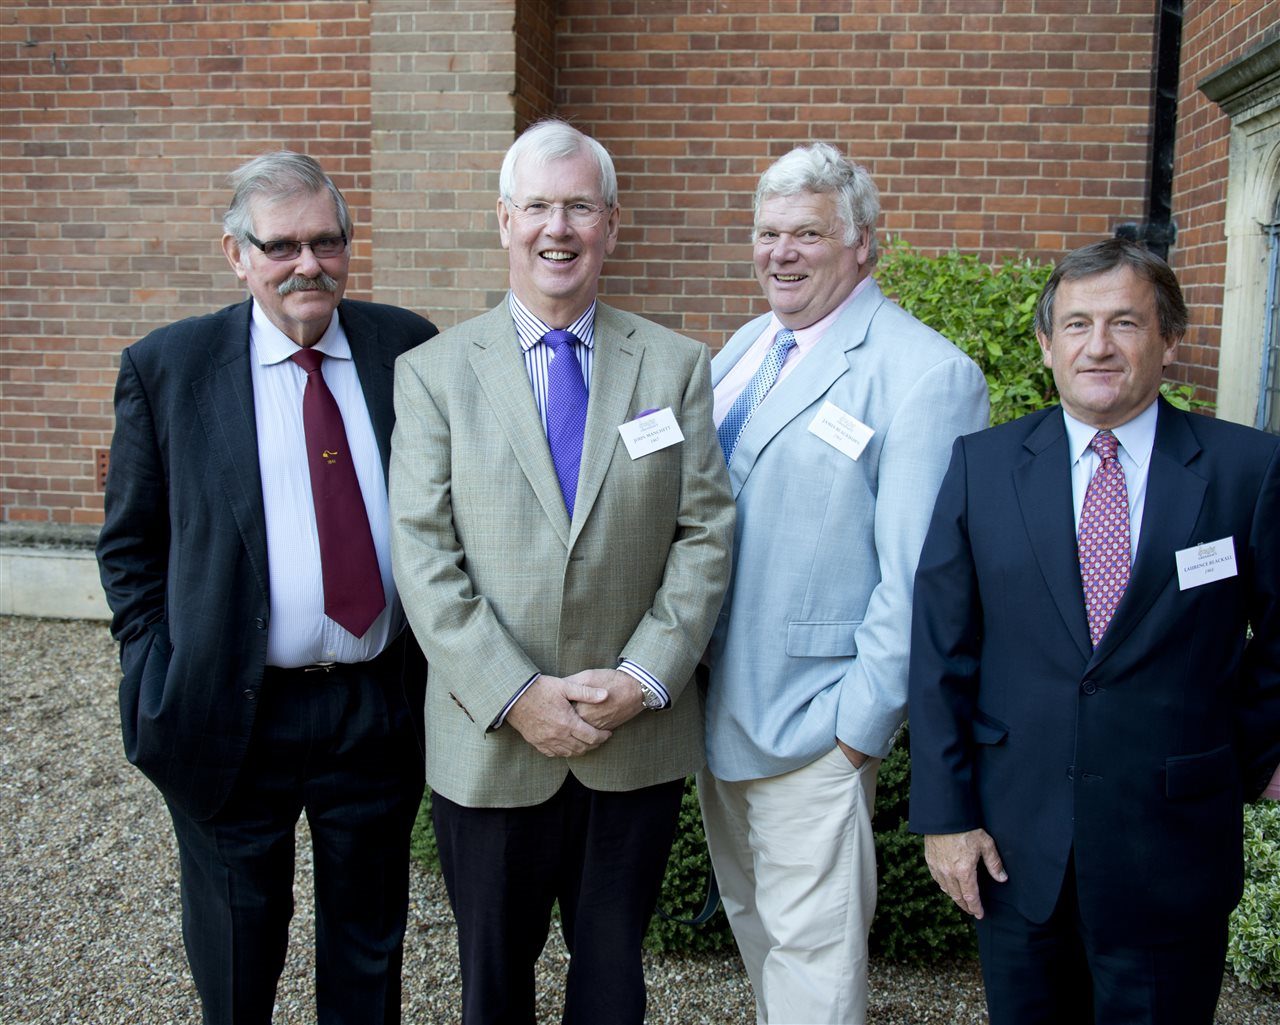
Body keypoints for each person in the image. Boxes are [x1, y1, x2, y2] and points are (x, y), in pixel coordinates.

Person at [388, 120, 734, 1025]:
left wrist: (643, 677)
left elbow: (705, 533)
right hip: (491, 742)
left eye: (580, 206)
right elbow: (424, 555)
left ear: (611, 224)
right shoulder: (432, 374)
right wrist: (516, 694)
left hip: (634, 739)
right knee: (493, 986)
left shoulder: (674, 365)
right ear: (504, 220)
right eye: (538, 205)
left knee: (613, 982)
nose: (559, 227)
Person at [96, 151, 437, 1025]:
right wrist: (153, 666)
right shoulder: (169, 368)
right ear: (236, 254)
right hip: (229, 709)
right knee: (237, 954)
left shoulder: (406, 348)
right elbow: (130, 546)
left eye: (326, 241)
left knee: (368, 950)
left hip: (375, 706)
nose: (307, 264)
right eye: (281, 245)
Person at [908, 238, 1280, 1024]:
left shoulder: (1247, 470)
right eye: (1077, 325)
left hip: (1173, 848)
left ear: (1169, 338)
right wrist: (945, 815)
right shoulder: (982, 467)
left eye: (1125, 323)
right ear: (1047, 343)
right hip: (1015, 849)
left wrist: (1238, 756)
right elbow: (941, 651)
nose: (1098, 346)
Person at [698, 143, 989, 1024]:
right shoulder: (749, 346)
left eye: (808, 234)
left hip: (814, 730)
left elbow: (918, 580)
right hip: (715, 713)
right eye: (768, 232)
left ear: (864, 244)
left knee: (815, 978)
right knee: (760, 941)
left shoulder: (925, 374)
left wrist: (854, 736)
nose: (780, 252)